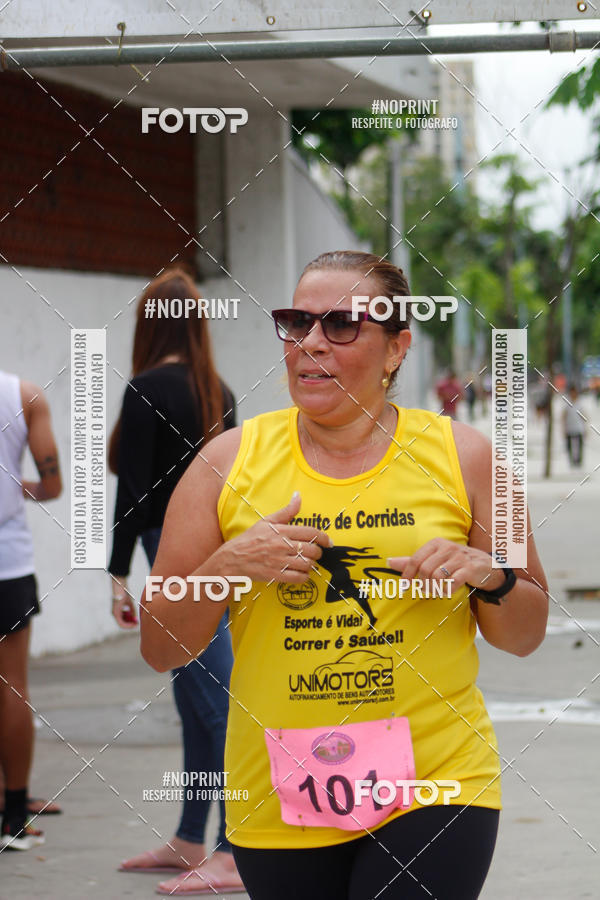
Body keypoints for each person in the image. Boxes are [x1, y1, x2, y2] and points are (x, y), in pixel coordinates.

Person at [139, 251, 549, 899]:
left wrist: (489, 576)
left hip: (436, 782)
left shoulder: (468, 458)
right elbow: (161, 645)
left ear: (395, 348)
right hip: (278, 789)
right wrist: (226, 567)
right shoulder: (225, 461)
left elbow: (526, 631)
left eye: (341, 326)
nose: (310, 344)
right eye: (298, 322)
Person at [107, 268, 244, 894]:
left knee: (214, 706)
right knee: (197, 705)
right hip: (220, 554)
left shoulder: (145, 390)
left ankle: (234, 848)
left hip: (174, 556)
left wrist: (118, 574)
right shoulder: (218, 390)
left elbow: (133, 496)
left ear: (147, 322)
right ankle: (193, 836)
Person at [0, 373, 62, 850]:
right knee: (12, 685)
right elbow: (52, 484)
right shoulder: (23, 395)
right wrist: (14, 488)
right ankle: (14, 816)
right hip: (7, 563)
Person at [562, 386, 585, 467]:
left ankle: (579, 461)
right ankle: (571, 461)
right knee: (569, 446)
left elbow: (584, 416)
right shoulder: (567, 404)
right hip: (569, 428)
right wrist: (563, 428)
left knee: (580, 446)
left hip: (579, 428)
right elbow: (563, 416)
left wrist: (586, 428)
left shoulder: (580, 403)